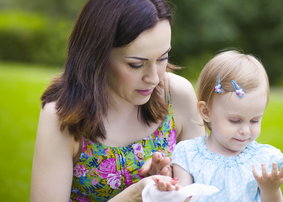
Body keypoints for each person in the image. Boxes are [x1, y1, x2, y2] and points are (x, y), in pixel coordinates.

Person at [30, 0, 204, 201]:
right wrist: (135, 195)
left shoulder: (177, 95)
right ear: (97, 56)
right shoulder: (62, 116)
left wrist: (165, 188)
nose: (154, 78)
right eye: (136, 64)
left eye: (162, 58)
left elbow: (201, 189)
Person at [155, 50, 283, 202]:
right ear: (206, 111)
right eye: (235, 120)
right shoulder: (188, 154)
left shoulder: (262, 159)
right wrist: (170, 192)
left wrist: (271, 189)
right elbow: (182, 198)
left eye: (255, 120)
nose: (245, 131)